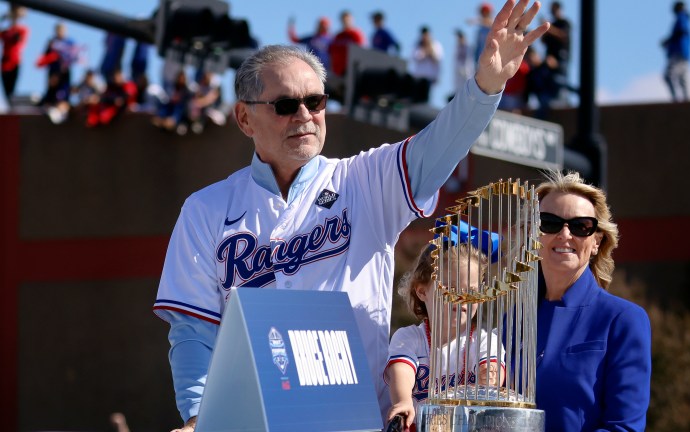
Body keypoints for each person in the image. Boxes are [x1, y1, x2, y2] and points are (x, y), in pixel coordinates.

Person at [152, 1, 550, 430]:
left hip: (355, 420)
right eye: (285, 104)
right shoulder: (205, 209)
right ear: (245, 117)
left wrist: (485, 86)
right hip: (253, 421)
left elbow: (438, 148)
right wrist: (197, 417)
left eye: (315, 100)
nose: (304, 115)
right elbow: (194, 331)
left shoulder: (364, 178)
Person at [503, 170, 652, 431]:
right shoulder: (512, 321)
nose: (564, 234)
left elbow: (625, 427)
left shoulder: (624, 320)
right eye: (548, 222)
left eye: (580, 226)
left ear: (596, 241)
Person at [385, 222, 504, 431]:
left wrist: (492, 377)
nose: (461, 298)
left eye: (471, 291)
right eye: (449, 289)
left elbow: (493, 374)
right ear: (422, 291)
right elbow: (401, 370)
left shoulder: (486, 340)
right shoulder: (409, 338)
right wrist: (403, 401)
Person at [540, 1, 571, 106]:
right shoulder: (551, 25)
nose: (552, 12)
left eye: (554, 10)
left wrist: (548, 28)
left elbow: (562, 35)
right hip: (550, 61)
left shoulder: (564, 22)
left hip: (561, 59)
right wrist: (543, 29)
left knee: (560, 83)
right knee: (550, 85)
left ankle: (566, 103)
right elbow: (543, 41)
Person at [661, 1, 690, 102]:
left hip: (678, 52)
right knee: (682, 77)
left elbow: (682, 31)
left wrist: (669, 40)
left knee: (668, 75)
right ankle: (685, 99)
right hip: (683, 53)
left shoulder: (681, 17)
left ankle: (676, 99)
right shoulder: (684, 18)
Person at [0, 5, 28, 109]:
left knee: (12, 92)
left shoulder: (22, 30)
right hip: (4, 63)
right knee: (6, 92)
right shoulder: (6, 31)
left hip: (15, 62)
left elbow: (19, 40)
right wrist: (3, 20)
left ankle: (12, 108)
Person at [328, 10, 366, 78]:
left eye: (347, 20)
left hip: (352, 68)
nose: (345, 22)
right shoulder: (338, 36)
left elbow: (361, 50)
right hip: (338, 70)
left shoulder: (356, 34)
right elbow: (332, 53)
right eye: (344, 20)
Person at [409, 26, 443, 101]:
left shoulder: (436, 45)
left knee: (425, 99)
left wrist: (430, 50)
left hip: (429, 78)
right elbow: (415, 57)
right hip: (418, 77)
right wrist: (425, 50)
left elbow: (438, 59)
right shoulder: (417, 45)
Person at [451, 29, 474, 102]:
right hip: (458, 73)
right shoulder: (457, 47)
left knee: (466, 90)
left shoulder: (468, 47)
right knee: (458, 90)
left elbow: (469, 62)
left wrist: (466, 71)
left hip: (467, 73)